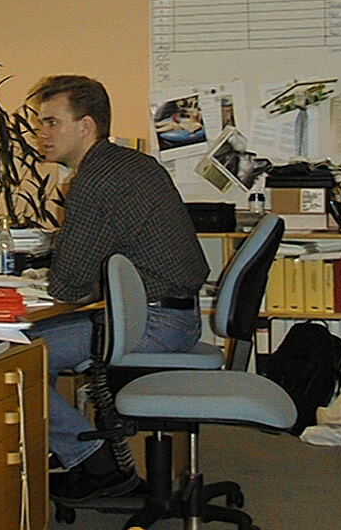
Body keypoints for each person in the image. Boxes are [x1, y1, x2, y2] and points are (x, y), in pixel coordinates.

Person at [26, 75, 209, 504]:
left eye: (51, 122)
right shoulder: (130, 163)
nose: (41, 133)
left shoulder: (95, 180)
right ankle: (73, 452)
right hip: (175, 315)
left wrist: (39, 278)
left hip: (154, 323)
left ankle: (94, 462)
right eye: (40, 123)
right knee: (33, 342)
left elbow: (67, 284)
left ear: (86, 126)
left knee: (14, 357)